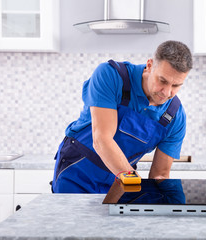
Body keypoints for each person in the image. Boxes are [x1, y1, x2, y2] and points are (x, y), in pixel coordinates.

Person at [52, 40, 193, 193]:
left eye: (176, 85)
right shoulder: (111, 75)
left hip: (120, 185)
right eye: (162, 81)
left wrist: (168, 206)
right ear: (150, 65)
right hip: (76, 174)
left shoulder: (174, 116)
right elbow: (102, 140)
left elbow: (160, 175)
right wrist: (135, 184)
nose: (166, 92)